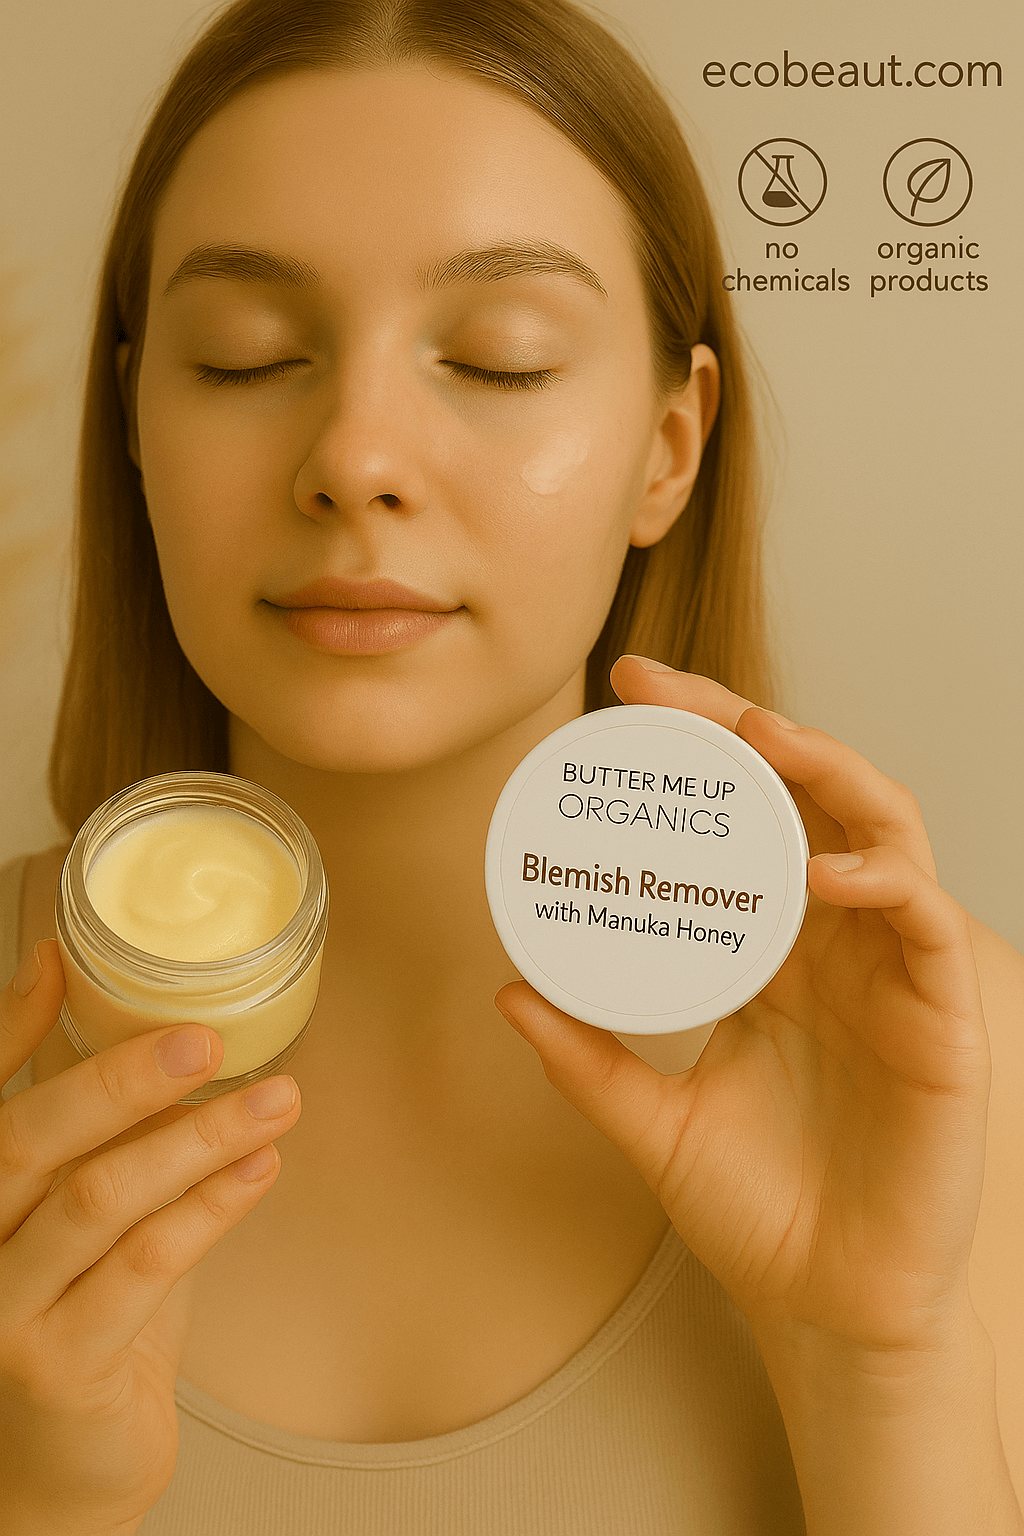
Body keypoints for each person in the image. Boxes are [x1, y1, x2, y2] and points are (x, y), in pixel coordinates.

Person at [1, 2, 1021, 1532]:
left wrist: (877, 1362)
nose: (357, 455)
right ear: (137, 417)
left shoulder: (943, 1063)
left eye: (497, 358)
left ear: (667, 450)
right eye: (246, 356)